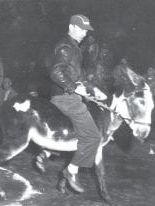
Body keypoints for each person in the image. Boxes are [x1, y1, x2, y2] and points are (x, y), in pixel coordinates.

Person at [49, 14, 106, 193]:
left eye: (86, 31)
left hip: (71, 95)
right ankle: (71, 171)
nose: (84, 34)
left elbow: (78, 76)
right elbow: (55, 72)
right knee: (94, 137)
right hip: (64, 97)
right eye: (81, 29)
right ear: (71, 27)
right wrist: (74, 88)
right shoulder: (66, 46)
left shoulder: (74, 48)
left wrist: (92, 88)